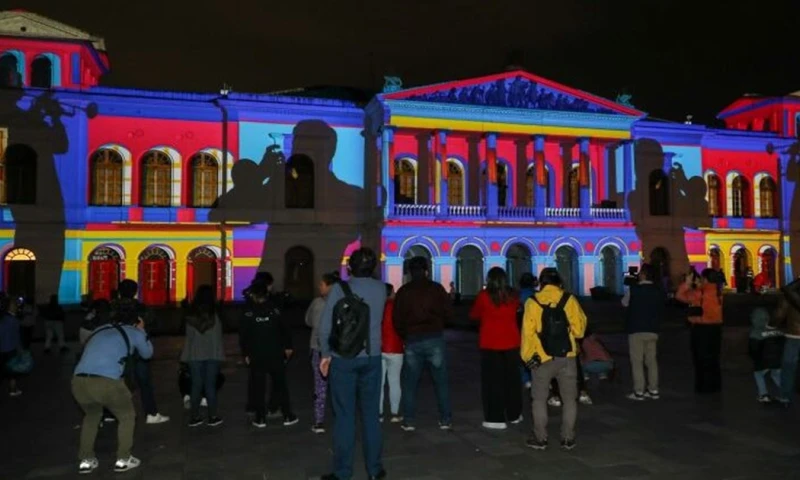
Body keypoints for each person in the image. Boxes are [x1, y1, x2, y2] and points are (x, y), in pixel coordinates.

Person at [318, 247, 387, 480]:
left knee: (345, 416)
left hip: (344, 358)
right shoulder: (381, 289)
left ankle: (343, 472)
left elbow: (326, 325)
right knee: (370, 415)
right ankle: (375, 470)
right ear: (373, 268)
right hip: (372, 357)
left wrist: (325, 354)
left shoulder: (339, 289)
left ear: (350, 267)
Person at [72, 311, 153, 474]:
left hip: (78, 381)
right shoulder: (134, 332)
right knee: (127, 416)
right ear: (136, 322)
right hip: (107, 381)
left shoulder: (100, 329)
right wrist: (142, 330)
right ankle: (124, 458)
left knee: (92, 416)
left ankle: (86, 460)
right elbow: (148, 353)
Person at [521, 267, 587, 451]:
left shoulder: (532, 302)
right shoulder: (569, 300)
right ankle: (568, 438)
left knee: (539, 399)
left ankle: (540, 438)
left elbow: (527, 334)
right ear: (559, 282)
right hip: (567, 357)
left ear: (541, 283)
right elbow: (580, 330)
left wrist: (528, 357)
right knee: (569, 400)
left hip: (541, 358)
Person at [393, 256, 454, 432]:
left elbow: (396, 319)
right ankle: (445, 418)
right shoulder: (436, 289)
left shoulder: (404, 291)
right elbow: (449, 313)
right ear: (427, 271)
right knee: (440, 381)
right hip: (434, 337)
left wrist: (405, 335)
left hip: (412, 338)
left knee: (410, 382)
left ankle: (409, 420)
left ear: (410, 272)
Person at [469, 267, 523, 430]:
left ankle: (495, 417)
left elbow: (474, 315)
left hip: (490, 344)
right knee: (512, 381)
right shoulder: (513, 296)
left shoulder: (484, 296)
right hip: (512, 343)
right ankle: (514, 414)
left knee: (492, 382)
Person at [240, 279, 297, 428]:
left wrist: (246, 353)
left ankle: (260, 418)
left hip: (257, 354)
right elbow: (286, 329)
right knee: (280, 384)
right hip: (276, 353)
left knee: (259, 386)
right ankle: (287, 415)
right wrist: (288, 347)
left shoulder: (248, 312)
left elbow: (244, 335)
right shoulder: (275, 309)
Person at [112, 279, 170, 424]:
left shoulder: (112, 307)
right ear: (135, 291)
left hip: (116, 350)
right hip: (138, 351)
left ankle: (111, 413)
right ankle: (151, 413)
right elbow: (154, 323)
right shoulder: (141, 308)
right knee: (145, 383)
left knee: (116, 382)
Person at [182, 285, 225, 427]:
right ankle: (212, 416)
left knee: (196, 385)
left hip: (194, 355)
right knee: (210, 386)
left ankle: (194, 417)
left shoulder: (191, 316)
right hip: (213, 354)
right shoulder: (216, 314)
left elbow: (188, 338)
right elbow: (218, 337)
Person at [622, 263, 666, 400]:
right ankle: (653, 390)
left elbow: (624, 303)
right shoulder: (658, 290)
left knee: (637, 361)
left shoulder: (634, 289)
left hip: (636, 329)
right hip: (653, 329)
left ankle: (639, 391)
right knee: (652, 361)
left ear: (644, 274)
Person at [676, 268, 723, 394]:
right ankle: (715, 385)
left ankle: (703, 386)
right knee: (714, 358)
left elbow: (680, 296)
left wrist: (687, 283)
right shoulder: (718, 292)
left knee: (701, 359)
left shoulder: (700, 292)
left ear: (705, 278)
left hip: (701, 329)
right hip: (716, 329)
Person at [305, 270, 340, 434]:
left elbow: (308, 320)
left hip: (318, 348)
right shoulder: (342, 302)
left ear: (328, 286)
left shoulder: (318, 303)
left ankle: (319, 421)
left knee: (320, 386)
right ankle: (341, 418)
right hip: (338, 350)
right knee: (340, 385)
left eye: (322, 284)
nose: (319, 286)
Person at [748, 306, 784, 403]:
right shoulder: (777, 331)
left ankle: (764, 395)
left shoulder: (755, 333)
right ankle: (785, 394)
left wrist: (756, 360)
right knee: (776, 375)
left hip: (764, 361)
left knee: (758, 374)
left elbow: (753, 350)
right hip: (778, 361)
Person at [380, 283, 404, 424]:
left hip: (380, 347)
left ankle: (379, 413)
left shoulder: (378, 306)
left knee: (379, 383)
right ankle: (394, 413)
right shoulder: (397, 307)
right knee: (394, 381)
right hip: (396, 347)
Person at [773, 283, 800, 406]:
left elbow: (779, 314)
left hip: (794, 334)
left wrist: (771, 326)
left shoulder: (789, 296)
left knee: (788, 366)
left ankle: (785, 395)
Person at [0, 294, 22, 397]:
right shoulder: (13, 320)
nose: (16, 306)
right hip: (10, 348)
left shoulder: (4, 318)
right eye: (14, 304)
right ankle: (12, 389)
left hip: (3, 348)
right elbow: (16, 336)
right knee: (12, 371)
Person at [518, 273, 537, 389]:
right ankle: (534, 376)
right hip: (534, 329)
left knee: (523, 354)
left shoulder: (517, 296)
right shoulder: (536, 296)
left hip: (521, 328)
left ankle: (526, 378)